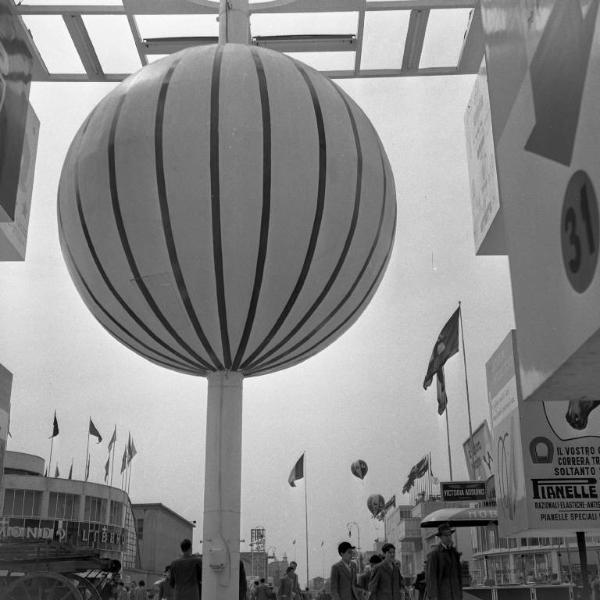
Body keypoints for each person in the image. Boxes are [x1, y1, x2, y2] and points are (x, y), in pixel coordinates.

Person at [425, 524, 462, 600]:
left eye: (449, 535)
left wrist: (459, 593)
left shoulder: (454, 553)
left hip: (455, 594)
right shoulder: (434, 554)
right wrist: (433, 596)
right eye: (446, 536)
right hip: (442, 594)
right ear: (441, 537)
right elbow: (431, 577)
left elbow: (458, 574)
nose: (449, 538)